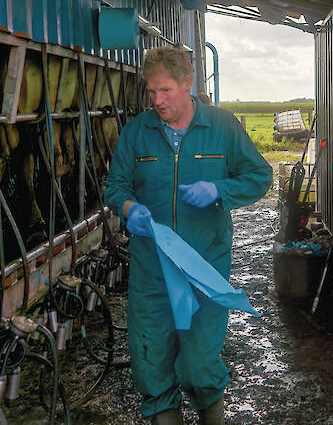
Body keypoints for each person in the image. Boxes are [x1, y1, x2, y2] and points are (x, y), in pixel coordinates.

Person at [104, 46, 272, 425]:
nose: (157, 100)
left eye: (165, 90)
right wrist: (129, 208)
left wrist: (219, 191)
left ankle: (210, 410)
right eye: (151, 91)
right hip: (152, 268)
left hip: (204, 266)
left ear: (187, 83)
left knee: (199, 362)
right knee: (150, 359)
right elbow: (115, 187)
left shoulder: (222, 127)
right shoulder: (137, 132)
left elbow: (260, 176)